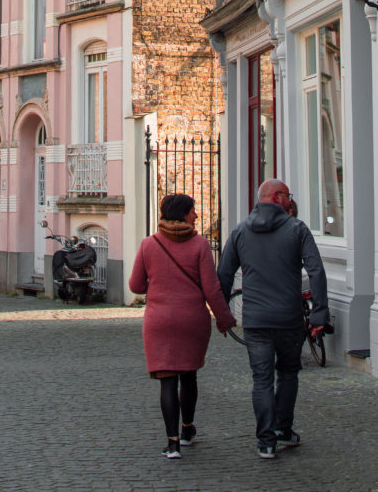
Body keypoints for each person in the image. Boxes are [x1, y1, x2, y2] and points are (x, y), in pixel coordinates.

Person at [217, 178, 329, 460]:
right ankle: (283, 429)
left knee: (262, 380)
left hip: (255, 320)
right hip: (289, 318)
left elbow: (224, 273)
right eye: (288, 195)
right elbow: (316, 270)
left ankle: (265, 441)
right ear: (278, 197)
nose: (290, 200)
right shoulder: (297, 229)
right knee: (288, 374)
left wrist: (222, 313)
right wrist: (319, 312)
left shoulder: (241, 230)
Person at [129, 193, 236, 459]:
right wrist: (224, 319)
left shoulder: (148, 244)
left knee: (167, 381)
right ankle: (188, 429)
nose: (197, 216)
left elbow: (135, 285)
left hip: (159, 321)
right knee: (189, 376)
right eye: (193, 211)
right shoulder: (200, 245)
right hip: (192, 320)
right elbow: (212, 288)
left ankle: (172, 442)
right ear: (182, 214)